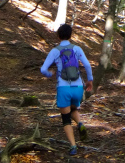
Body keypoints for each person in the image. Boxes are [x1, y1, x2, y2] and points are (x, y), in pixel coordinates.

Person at [40, 23, 93, 155]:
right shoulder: (77, 49)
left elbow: (43, 69)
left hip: (63, 87)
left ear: (58, 36)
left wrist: (49, 74)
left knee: (66, 118)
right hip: (78, 87)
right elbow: (87, 65)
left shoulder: (55, 51)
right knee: (73, 108)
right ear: (70, 35)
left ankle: (73, 146)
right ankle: (80, 123)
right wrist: (90, 81)